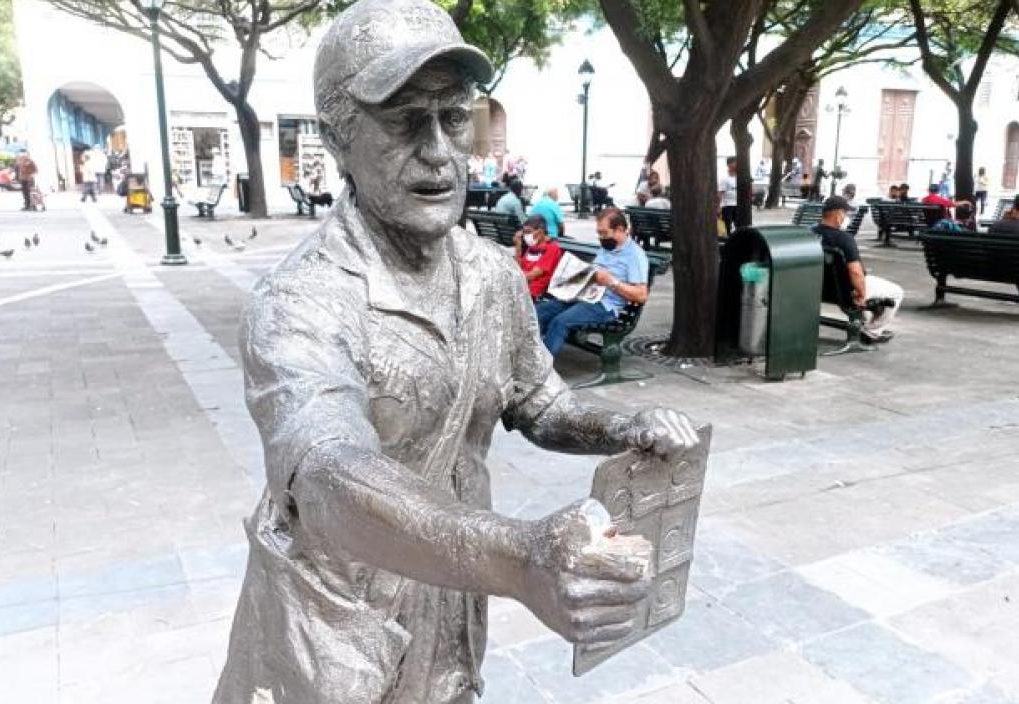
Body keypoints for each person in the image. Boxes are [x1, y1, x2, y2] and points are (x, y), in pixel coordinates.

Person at [214, 4, 699, 702]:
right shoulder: (301, 303)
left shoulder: (491, 275)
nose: (440, 150)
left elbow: (541, 402)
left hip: (451, 607)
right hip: (335, 629)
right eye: (406, 121)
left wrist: (623, 427)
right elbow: (325, 475)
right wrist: (520, 558)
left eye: (454, 118)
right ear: (339, 141)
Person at [536, 207, 649, 356]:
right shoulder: (607, 247)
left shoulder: (635, 255)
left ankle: (542, 368)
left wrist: (611, 282)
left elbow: (641, 295)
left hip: (605, 306)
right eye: (599, 233)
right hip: (585, 296)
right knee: (537, 312)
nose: (601, 237)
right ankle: (527, 357)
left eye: (604, 233)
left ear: (620, 229)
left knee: (560, 322)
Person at [813, 196, 903, 342]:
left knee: (863, 288)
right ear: (838, 214)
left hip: (821, 289)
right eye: (845, 213)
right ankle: (872, 332)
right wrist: (862, 294)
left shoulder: (811, 232)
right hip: (845, 291)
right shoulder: (844, 239)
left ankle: (864, 325)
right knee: (897, 292)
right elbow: (855, 271)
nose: (846, 217)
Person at [514, 215, 562, 299]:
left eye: (528, 232)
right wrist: (518, 246)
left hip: (534, 294)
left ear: (540, 232)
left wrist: (513, 277)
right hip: (523, 288)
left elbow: (532, 275)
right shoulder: (533, 246)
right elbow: (518, 267)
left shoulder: (552, 248)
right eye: (524, 232)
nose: (525, 235)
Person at [719, 156, 738, 235]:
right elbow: (720, 193)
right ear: (729, 165)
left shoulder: (740, 177)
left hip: (738, 205)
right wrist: (718, 207)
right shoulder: (724, 178)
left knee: (739, 225)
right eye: (735, 163)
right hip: (727, 206)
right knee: (727, 225)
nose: (737, 164)